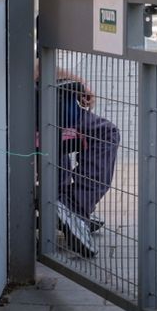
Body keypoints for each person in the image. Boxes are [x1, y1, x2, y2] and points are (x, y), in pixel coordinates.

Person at [35, 61, 120, 258]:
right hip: (36, 118)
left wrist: (78, 83)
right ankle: (73, 207)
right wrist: (79, 84)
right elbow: (36, 67)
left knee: (57, 133)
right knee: (107, 132)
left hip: (32, 118)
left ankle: (62, 202)